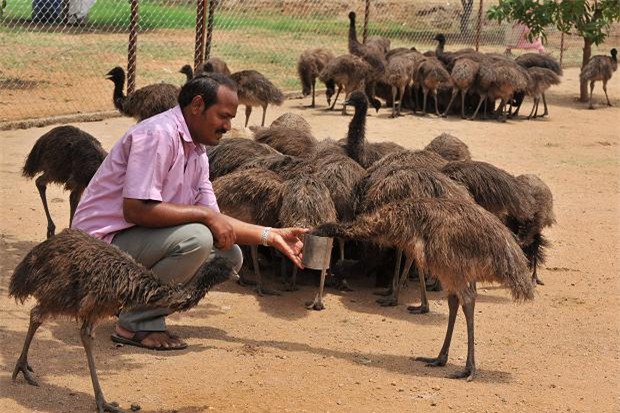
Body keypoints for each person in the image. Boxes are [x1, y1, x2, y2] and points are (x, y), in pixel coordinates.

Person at [72, 73, 307, 350]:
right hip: (94, 252)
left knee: (228, 256)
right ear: (197, 105)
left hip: (129, 242)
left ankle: (137, 310)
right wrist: (204, 216)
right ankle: (135, 323)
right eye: (223, 116)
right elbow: (136, 210)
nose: (228, 126)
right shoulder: (157, 134)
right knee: (197, 239)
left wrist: (271, 235)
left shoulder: (197, 151)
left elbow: (216, 219)